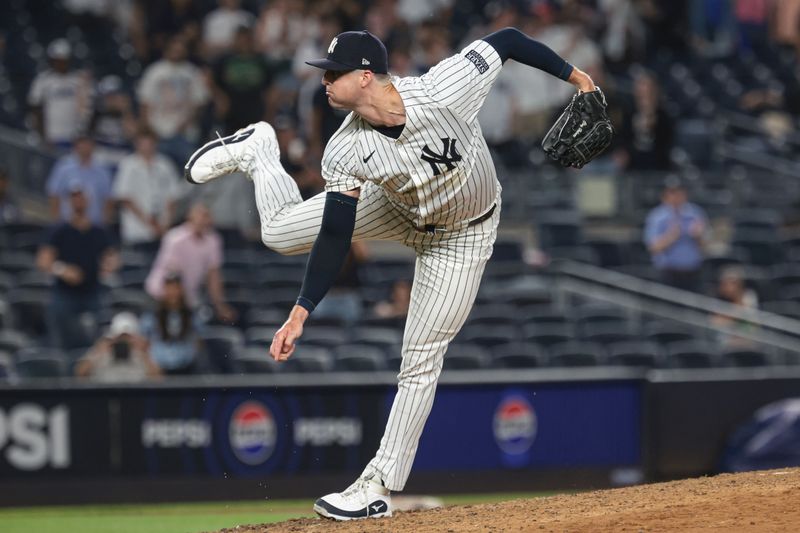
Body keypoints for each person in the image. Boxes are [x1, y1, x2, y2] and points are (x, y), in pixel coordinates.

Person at [184, 28, 597, 520]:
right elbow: (336, 235)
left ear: (364, 77)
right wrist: (300, 312)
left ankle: (376, 485)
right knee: (277, 232)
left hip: (463, 234)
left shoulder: (444, 89)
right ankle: (259, 150)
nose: (325, 81)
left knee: (421, 357)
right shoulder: (345, 149)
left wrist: (580, 80)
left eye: (333, 74)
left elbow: (506, 40)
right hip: (396, 208)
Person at [36, 181, 119, 350]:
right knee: (58, 319)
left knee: (103, 324)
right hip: (65, 292)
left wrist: (109, 265)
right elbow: (43, 260)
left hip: (92, 290)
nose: (78, 202)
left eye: (81, 197)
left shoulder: (98, 231)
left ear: (88, 200)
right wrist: (62, 270)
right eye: (74, 198)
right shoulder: (59, 230)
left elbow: (112, 256)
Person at [145, 203, 236, 322]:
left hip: (187, 297)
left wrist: (220, 305)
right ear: (190, 218)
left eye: (206, 216)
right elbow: (172, 275)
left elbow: (213, 275)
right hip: (161, 294)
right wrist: (177, 303)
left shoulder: (213, 241)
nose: (203, 220)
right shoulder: (175, 238)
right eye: (200, 216)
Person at [137, 36, 209, 167]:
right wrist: (148, 128)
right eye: (174, 50)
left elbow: (200, 103)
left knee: (187, 173)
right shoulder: (155, 71)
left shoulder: (192, 72)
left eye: (180, 50)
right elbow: (144, 102)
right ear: (167, 51)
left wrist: (187, 122)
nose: (177, 53)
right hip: (158, 132)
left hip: (185, 134)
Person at [113, 128, 183, 248]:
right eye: (143, 143)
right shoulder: (127, 165)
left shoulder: (165, 165)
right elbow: (125, 198)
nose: (146, 147)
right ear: (137, 144)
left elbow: (173, 197)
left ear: (155, 144)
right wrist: (148, 223)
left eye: (149, 143)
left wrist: (166, 224)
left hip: (163, 229)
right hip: (136, 230)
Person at [644, 176, 708, 292]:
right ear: (665, 195)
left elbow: (706, 246)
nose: (676, 197)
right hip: (668, 272)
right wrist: (670, 237)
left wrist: (698, 236)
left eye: (679, 192)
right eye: (672, 193)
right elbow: (653, 247)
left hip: (692, 271)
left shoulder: (695, 213)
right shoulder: (657, 217)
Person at [27, 39, 93, 150]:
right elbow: (36, 110)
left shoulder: (78, 80)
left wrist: (82, 135)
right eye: (58, 60)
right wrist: (43, 137)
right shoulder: (43, 80)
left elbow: (87, 108)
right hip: (52, 138)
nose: (61, 63)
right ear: (52, 60)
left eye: (64, 60)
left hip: (73, 137)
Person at [140, 272, 204, 375]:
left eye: (176, 288)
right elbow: (143, 344)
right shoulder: (152, 315)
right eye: (169, 288)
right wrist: (151, 366)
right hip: (160, 368)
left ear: (181, 289)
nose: (172, 292)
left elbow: (199, 342)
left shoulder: (191, 315)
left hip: (187, 367)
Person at [46, 134, 114, 227]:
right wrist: (56, 221)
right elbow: (54, 195)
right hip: (67, 224)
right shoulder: (64, 168)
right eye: (82, 145)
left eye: (87, 144)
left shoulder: (102, 170)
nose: (85, 148)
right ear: (76, 147)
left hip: (94, 225)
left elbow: (108, 200)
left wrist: (104, 223)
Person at [75, 311, 162, 383]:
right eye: (120, 337)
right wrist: (97, 353)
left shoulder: (142, 351)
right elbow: (80, 373)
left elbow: (158, 379)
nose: (123, 341)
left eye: (128, 337)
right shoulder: (104, 348)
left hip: (136, 396)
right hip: (105, 395)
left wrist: (144, 354)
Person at [711, 265, 760, 347]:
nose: (725, 287)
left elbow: (752, 322)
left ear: (739, 284)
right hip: (725, 341)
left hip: (747, 338)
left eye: (730, 283)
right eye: (723, 284)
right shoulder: (718, 300)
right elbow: (715, 322)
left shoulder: (749, 296)